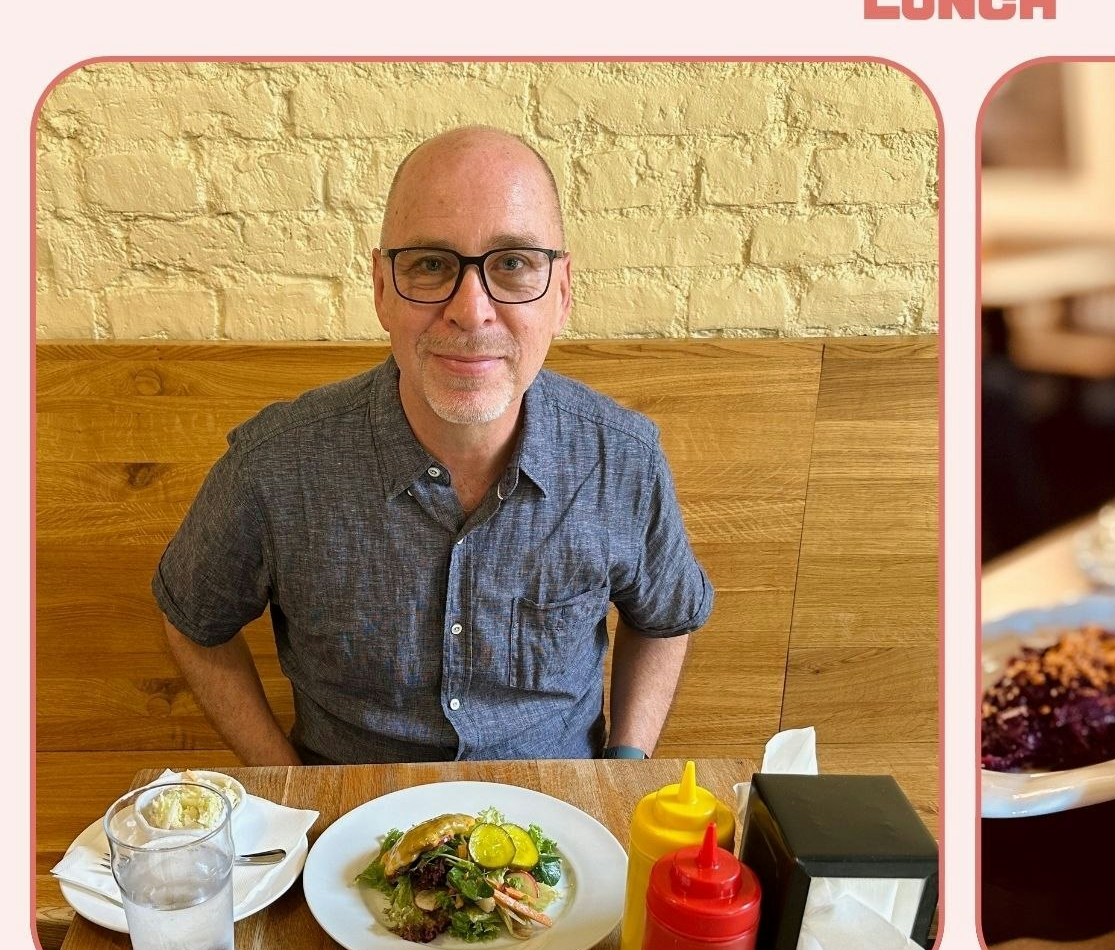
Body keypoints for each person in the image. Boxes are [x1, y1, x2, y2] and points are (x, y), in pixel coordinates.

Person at [152, 125, 713, 765]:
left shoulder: (624, 460)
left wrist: (625, 768)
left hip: (559, 828)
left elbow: (665, 618)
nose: (471, 311)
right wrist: (286, 789)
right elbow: (191, 618)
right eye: (429, 265)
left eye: (513, 264)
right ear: (382, 288)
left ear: (562, 292)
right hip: (345, 830)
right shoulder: (274, 466)